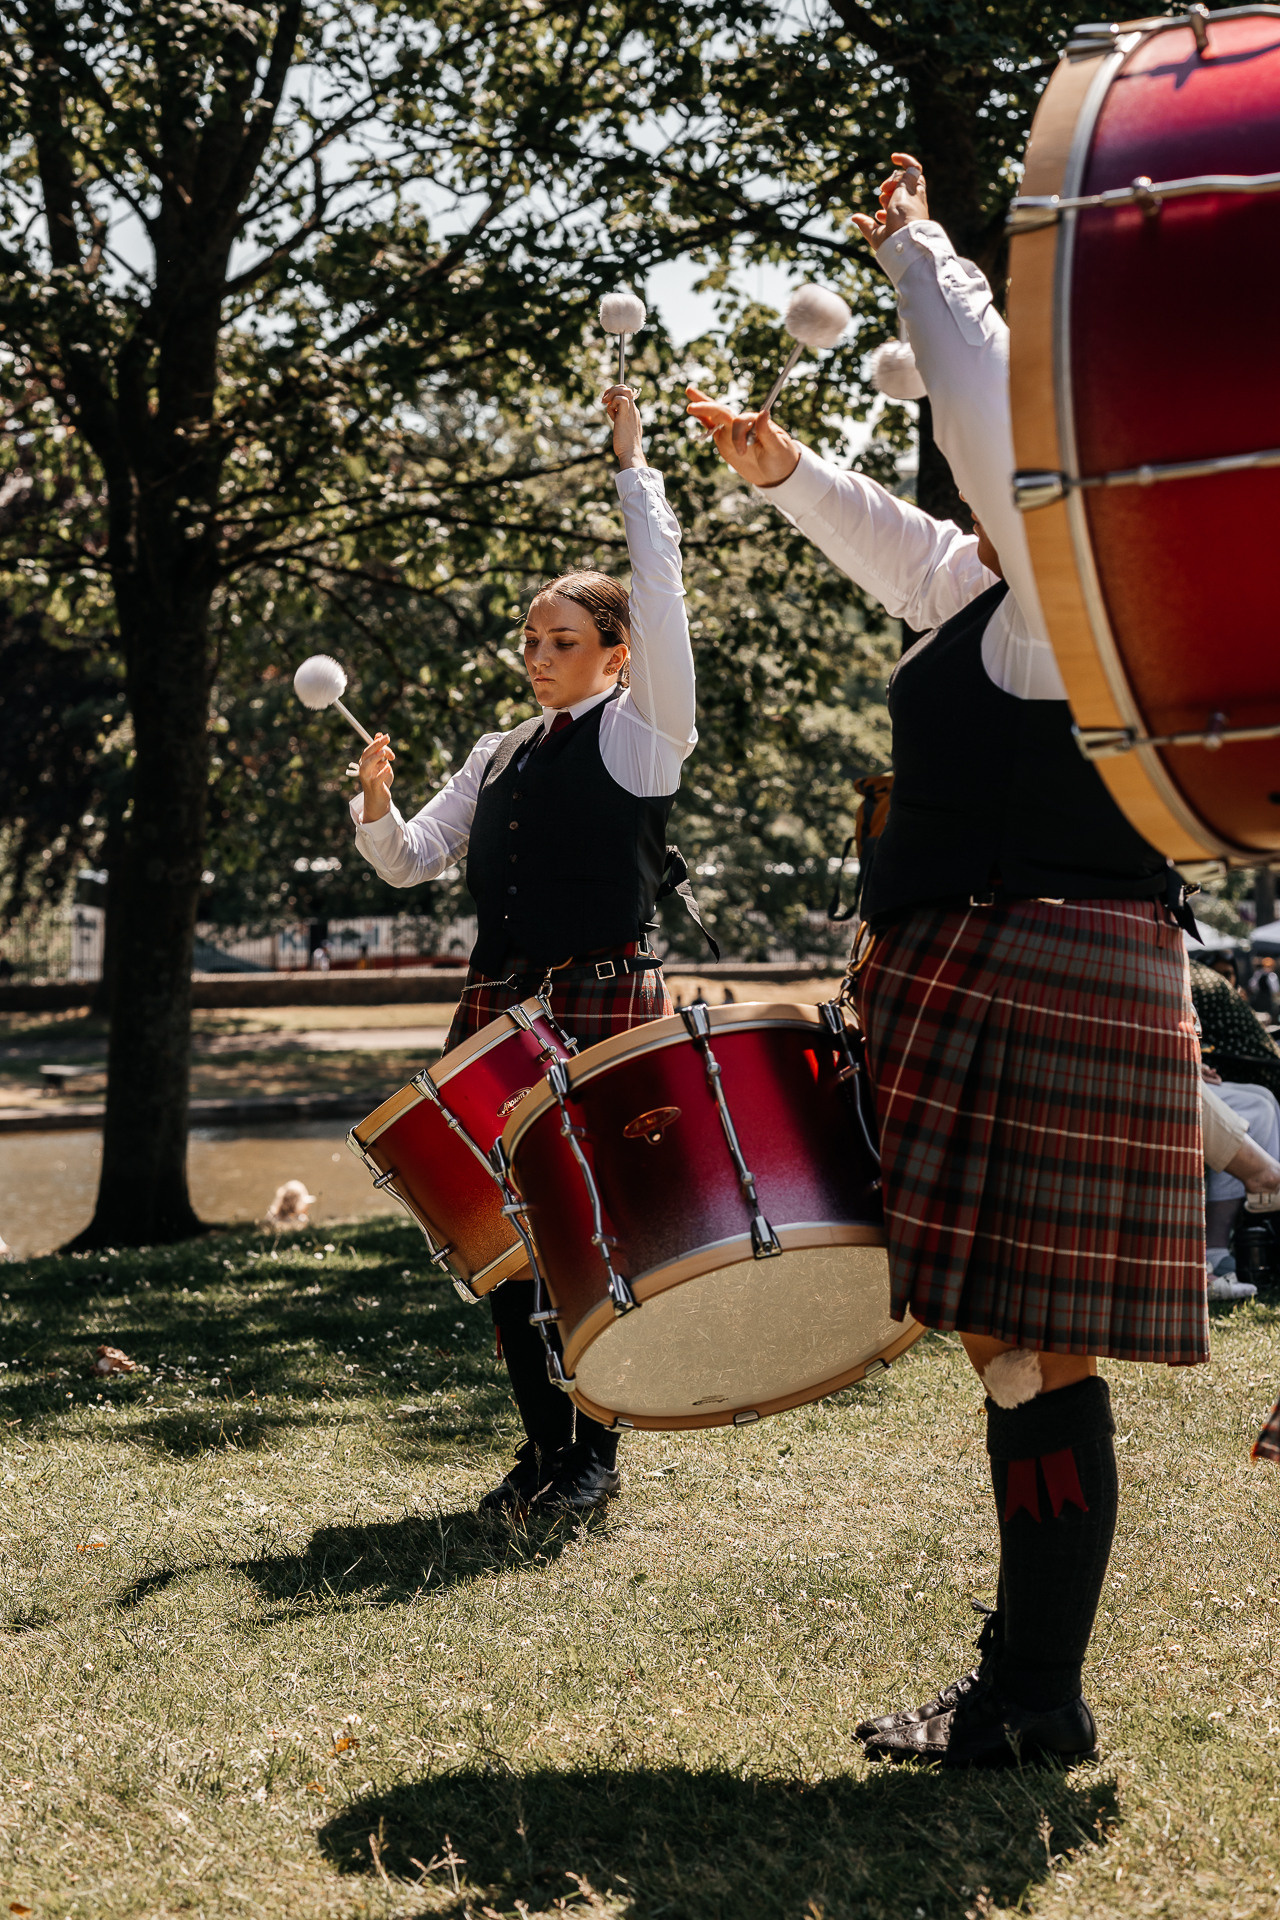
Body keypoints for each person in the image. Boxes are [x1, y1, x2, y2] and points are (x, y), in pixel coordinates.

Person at [688, 154, 1208, 1769]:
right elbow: (908, 543)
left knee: (1025, 1344)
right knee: (1012, 1344)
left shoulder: (1081, 587)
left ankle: (1031, 1696)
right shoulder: (997, 587)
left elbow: (986, 408)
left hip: (1032, 966)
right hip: (1021, 964)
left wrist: (918, 250)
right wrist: (783, 471)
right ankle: (1026, 1691)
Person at [350, 384, 698, 1517]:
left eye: (562, 641)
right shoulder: (496, 750)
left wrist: (632, 469)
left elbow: (661, 590)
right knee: (503, 1237)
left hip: (601, 1002)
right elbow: (412, 860)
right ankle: (542, 1447)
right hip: (501, 1008)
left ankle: (595, 1460)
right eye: (530, 639)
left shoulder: (646, 735)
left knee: (587, 1226)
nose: (538, 655)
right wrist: (373, 806)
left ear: (615, 653)